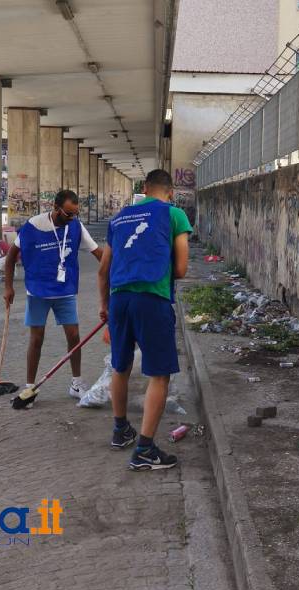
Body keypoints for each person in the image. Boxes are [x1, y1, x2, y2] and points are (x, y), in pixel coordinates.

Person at [98, 169, 192, 471]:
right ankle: (145, 450)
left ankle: (120, 429)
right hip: (152, 299)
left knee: (120, 366)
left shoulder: (119, 218)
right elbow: (181, 269)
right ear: (170, 191)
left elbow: (103, 270)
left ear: (144, 188)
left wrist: (105, 308)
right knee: (159, 375)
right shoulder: (174, 215)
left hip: (119, 299)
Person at [4, 190, 103, 407]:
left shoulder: (75, 226)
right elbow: (11, 257)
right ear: (55, 208)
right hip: (38, 291)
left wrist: (122, 271)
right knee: (37, 338)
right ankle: (30, 387)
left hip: (65, 290)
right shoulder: (33, 225)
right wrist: (8, 287)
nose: (71, 218)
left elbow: (99, 254)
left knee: (74, 335)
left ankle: (76, 383)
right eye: (68, 213)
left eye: (75, 214)